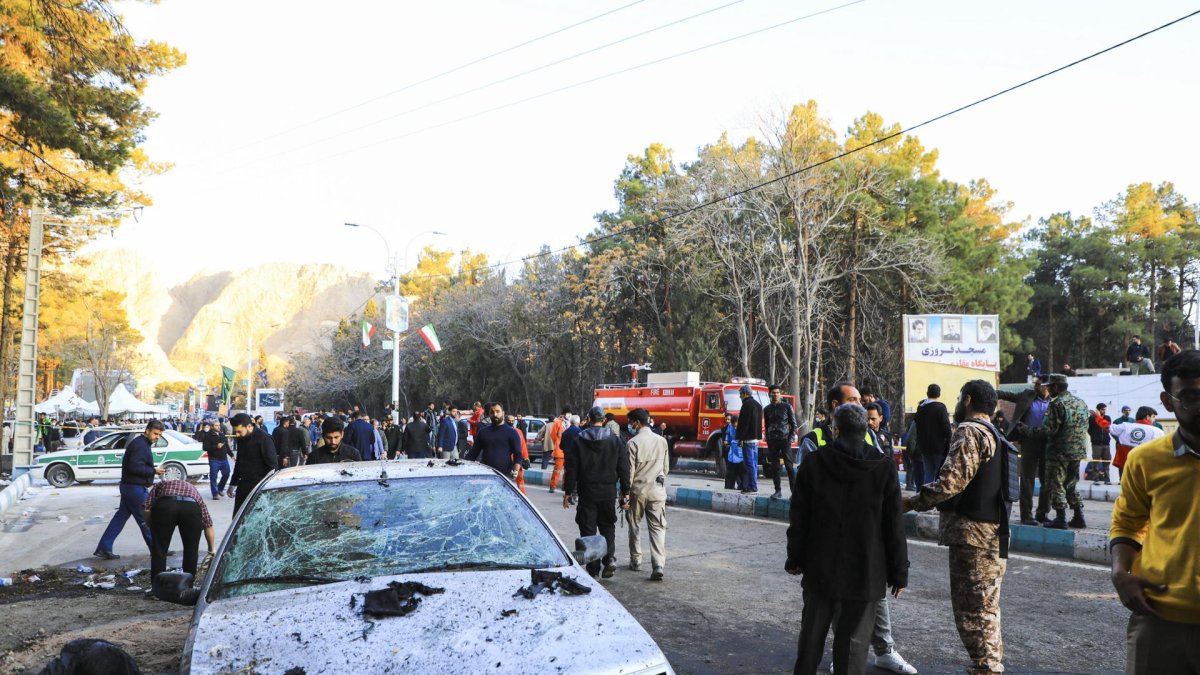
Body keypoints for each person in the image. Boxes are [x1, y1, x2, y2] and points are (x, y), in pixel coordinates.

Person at [788, 404, 908, 675]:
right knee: (853, 648)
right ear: (866, 429)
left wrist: (794, 558)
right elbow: (893, 525)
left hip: (820, 566)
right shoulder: (884, 467)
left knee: (810, 641)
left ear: (836, 429)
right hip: (866, 571)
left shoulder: (814, 463)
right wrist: (899, 573)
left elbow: (799, 518)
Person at [904, 380, 1008, 675]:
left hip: (972, 535)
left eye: (960, 397)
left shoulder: (969, 431)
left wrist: (913, 501)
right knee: (986, 607)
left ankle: (987, 667)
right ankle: (989, 665)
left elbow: (951, 482)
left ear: (968, 400)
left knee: (971, 609)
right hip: (993, 532)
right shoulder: (996, 434)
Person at [1109, 350, 1200, 672]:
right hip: (1159, 620)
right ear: (1167, 400)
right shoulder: (1146, 460)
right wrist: (1121, 573)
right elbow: (1128, 523)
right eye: (1190, 397)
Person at [563, 406, 630, 578]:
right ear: (604, 420)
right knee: (608, 526)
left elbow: (571, 469)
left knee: (588, 529)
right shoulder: (616, 440)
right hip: (608, 491)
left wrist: (568, 492)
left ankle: (593, 569)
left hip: (587, 492)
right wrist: (625, 491)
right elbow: (623, 468)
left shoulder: (579, 440)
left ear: (589, 419)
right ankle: (609, 559)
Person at [1019, 373, 1088, 529]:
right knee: (1071, 484)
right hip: (1077, 452)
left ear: (1056, 387)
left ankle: (1061, 518)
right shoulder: (1081, 403)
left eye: (1050, 386)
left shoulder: (1057, 404)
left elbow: (1048, 430)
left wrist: (1027, 430)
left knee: (1055, 484)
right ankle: (1078, 516)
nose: (1048, 389)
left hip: (1059, 452)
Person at [94, 420, 166, 560]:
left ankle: (104, 547)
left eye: (159, 435)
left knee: (120, 518)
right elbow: (134, 467)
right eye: (155, 434)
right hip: (134, 489)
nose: (157, 437)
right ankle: (157, 549)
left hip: (130, 487)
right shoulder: (140, 445)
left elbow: (137, 465)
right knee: (147, 518)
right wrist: (153, 470)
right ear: (147, 431)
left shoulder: (142, 444)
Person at [998, 376, 1052, 525]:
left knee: (1047, 481)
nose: (1036, 386)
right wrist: (991, 392)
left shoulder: (1056, 400)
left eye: (1039, 385)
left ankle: (1042, 513)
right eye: (1035, 384)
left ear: (1047, 386)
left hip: (1048, 443)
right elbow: (1008, 396)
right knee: (1027, 479)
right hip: (1028, 441)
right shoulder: (1028, 394)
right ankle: (1026, 515)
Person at [624, 407, 669, 580]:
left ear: (636, 422)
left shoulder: (632, 443)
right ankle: (658, 564)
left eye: (630, 422)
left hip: (638, 491)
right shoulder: (661, 441)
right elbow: (665, 468)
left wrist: (625, 494)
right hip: (657, 491)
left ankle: (636, 560)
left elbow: (629, 473)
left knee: (634, 524)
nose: (630, 425)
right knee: (657, 527)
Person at [143, 478, 215, 583]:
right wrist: (211, 550)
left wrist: (152, 526)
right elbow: (208, 524)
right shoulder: (193, 489)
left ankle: (157, 589)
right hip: (191, 507)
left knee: (159, 551)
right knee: (191, 550)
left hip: (166, 505)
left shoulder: (161, 484)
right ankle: (187, 587)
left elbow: (147, 508)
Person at [227, 412, 278, 513]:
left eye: (239, 431)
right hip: (243, 486)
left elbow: (273, 467)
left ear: (249, 426)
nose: (237, 435)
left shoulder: (264, 439)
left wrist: (267, 489)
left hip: (258, 488)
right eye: (235, 432)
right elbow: (239, 462)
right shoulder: (242, 438)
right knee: (238, 519)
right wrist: (233, 483)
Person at [469, 402, 525, 478]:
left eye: (497, 411)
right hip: (485, 476)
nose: (495, 414)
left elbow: (518, 455)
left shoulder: (512, 433)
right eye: (492, 412)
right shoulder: (483, 432)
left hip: (505, 478)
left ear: (503, 413)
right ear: (489, 414)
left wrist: (515, 471)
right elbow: (473, 453)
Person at [1108, 406, 1166, 479]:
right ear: (1147, 417)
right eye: (1153, 416)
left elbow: (1108, 427)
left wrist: (1098, 418)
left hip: (1127, 465)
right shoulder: (1157, 431)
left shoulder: (1126, 426)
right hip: (1145, 467)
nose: (1154, 419)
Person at [764, 384, 798, 499]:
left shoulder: (787, 407)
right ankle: (777, 491)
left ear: (780, 393)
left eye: (777, 392)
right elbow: (767, 425)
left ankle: (794, 492)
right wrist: (768, 439)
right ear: (770, 394)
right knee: (775, 467)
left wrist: (789, 440)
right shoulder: (767, 409)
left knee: (789, 467)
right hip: (772, 440)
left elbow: (794, 426)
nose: (776, 395)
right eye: (773, 393)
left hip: (785, 440)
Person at [915, 384, 952, 480]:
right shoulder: (940, 408)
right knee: (939, 474)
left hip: (924, 447)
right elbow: (946, 427)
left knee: (928, 473)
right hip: (938, 447)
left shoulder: (920, 408)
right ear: (939, 394)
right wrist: (950, 440)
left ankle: (926, 493)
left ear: (927, 393)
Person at [735, 385, 763, 494]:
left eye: (740, 393)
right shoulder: (758, 405)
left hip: (747, 439)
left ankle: (752, 486)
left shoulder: (746, 405)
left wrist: (741, 438)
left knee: (749, 464)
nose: (739, 396)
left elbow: (744, 424)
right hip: (756, 439)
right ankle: (753, 484)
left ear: (745, 393)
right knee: (754, 464)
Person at [197, 421, 232, 500]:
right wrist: (216, 446)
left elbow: (226, 446)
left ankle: (220, 488)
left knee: (226, 474)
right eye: (216, 426)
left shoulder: (222, 434)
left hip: (224, 459)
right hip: (214, 459)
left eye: (219, 425)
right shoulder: (208, 436)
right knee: (213, 477)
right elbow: (205, 448)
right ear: (212, 427)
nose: (218, 427)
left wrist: (232, 455)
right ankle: (215, 493)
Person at [1086, 403, 1112, 484]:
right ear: (1098, 410)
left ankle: (1107, 479)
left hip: (1106, 443)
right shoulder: (1091, 418)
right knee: (1096, 462)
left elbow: (1107, 426)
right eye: (1102, 409)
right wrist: (1094, 437)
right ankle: (1096, 479)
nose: (1104, 411)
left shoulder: (1107, 418)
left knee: (1107, 462)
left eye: (1105, 409)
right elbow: (1089, 429)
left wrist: (1098, 416)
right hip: (1096, 444)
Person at [721, 413, 741, 490]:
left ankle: (740, 485)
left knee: (739, 469)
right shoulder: (729, 427)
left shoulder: (741, 427)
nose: (732, 425)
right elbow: (727, 436)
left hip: (739, 451)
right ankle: (729, 485)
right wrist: (726, 441)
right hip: (731, 450)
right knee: (730, 469)